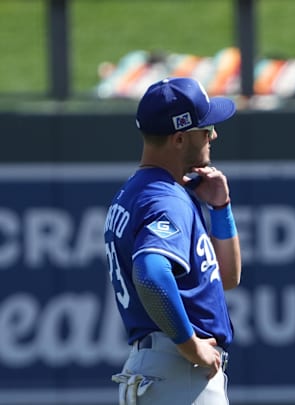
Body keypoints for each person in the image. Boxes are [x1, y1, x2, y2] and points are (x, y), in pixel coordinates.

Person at [104, 77, 242, 405]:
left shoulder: (140, 191)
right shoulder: (164, 198)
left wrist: (220, 209)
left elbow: (227, 278)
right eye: (205, 129)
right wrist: (189, 344)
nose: (213, 136)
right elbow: (151, 274)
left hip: (160, 368)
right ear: (179, 138)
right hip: (179, 371)